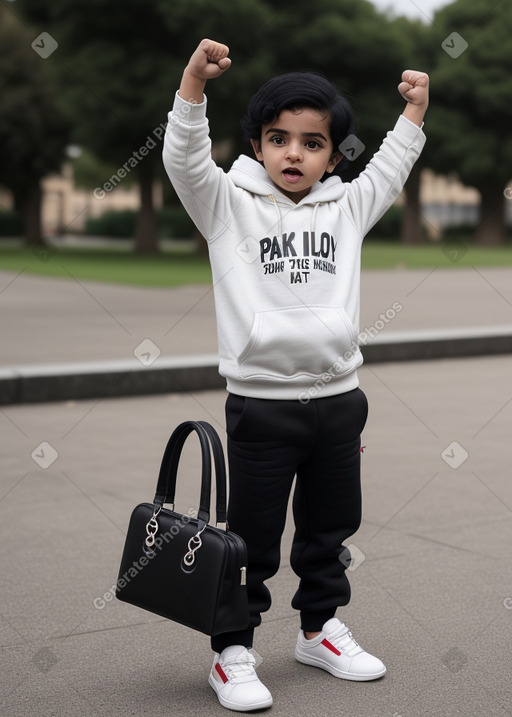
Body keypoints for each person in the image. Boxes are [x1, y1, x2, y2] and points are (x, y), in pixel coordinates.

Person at [163, 38, 428, 712]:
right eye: (278, 138)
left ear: (334, 154)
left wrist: (413, 115)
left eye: (312, 143)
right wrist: (194, 84)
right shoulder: (226, 204)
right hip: (261, 405)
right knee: (249, 538)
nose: (293, 152)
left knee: (331, 528)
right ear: (256, 143)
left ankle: (318, 629)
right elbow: (184, 158)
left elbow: (391, 170)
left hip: (340, 401)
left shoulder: (347, 207)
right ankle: (232, 649)